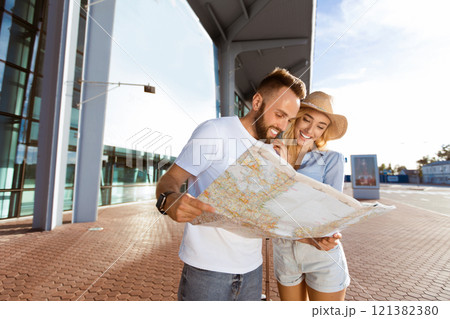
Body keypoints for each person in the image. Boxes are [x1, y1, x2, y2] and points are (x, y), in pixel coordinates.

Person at [155, 68, 306, 301]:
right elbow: (171, 179)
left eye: (289, 119)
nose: (284, 126)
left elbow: (272, 211)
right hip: (207, 271)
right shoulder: (215, 131)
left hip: (252, 270)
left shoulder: (273, 151)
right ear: (257, 101)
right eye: (279, 114)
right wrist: (169, 201)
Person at [272, 91, 350, 301]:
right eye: (306, 120)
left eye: (320, 126)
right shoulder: (271, 153)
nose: (310, 130)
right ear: (295, 118)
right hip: (284, 251)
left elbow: (333, 210)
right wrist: (285, 163)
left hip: (321, 252)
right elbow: (267, 206)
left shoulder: (332, 159)